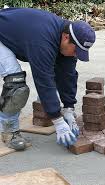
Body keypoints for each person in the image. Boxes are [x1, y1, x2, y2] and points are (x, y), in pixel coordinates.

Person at [0, 7, 96, 150]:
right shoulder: (42, 41)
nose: (76, 55)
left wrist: (69, 108)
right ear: (65, 37)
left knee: (57, 71)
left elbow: (67, 75)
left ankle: (45, 105)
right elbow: (43, 79)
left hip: (13, 32)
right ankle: (9, 131)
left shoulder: (69, 36)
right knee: (16, 84)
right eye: (76, 50)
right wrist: (57, 120)